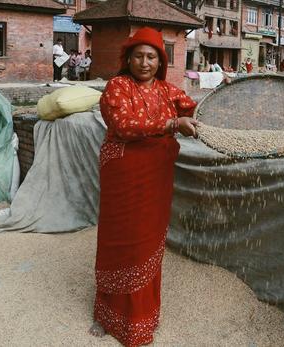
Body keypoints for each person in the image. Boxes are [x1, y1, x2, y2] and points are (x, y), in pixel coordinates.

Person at [89, 27, 198, 346]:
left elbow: (193, 109)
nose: (145, 62)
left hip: (156, 174)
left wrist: (211, 111)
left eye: (152, 56)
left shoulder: (168, 90)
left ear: (160, 60)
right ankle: (106, 314)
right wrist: (171, 124)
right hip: (124, 173)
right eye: (139, 55)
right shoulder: (117, 87)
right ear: (128, 58)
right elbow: (122, 125)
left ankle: (140, 317)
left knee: (147, 240)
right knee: (119, 240)